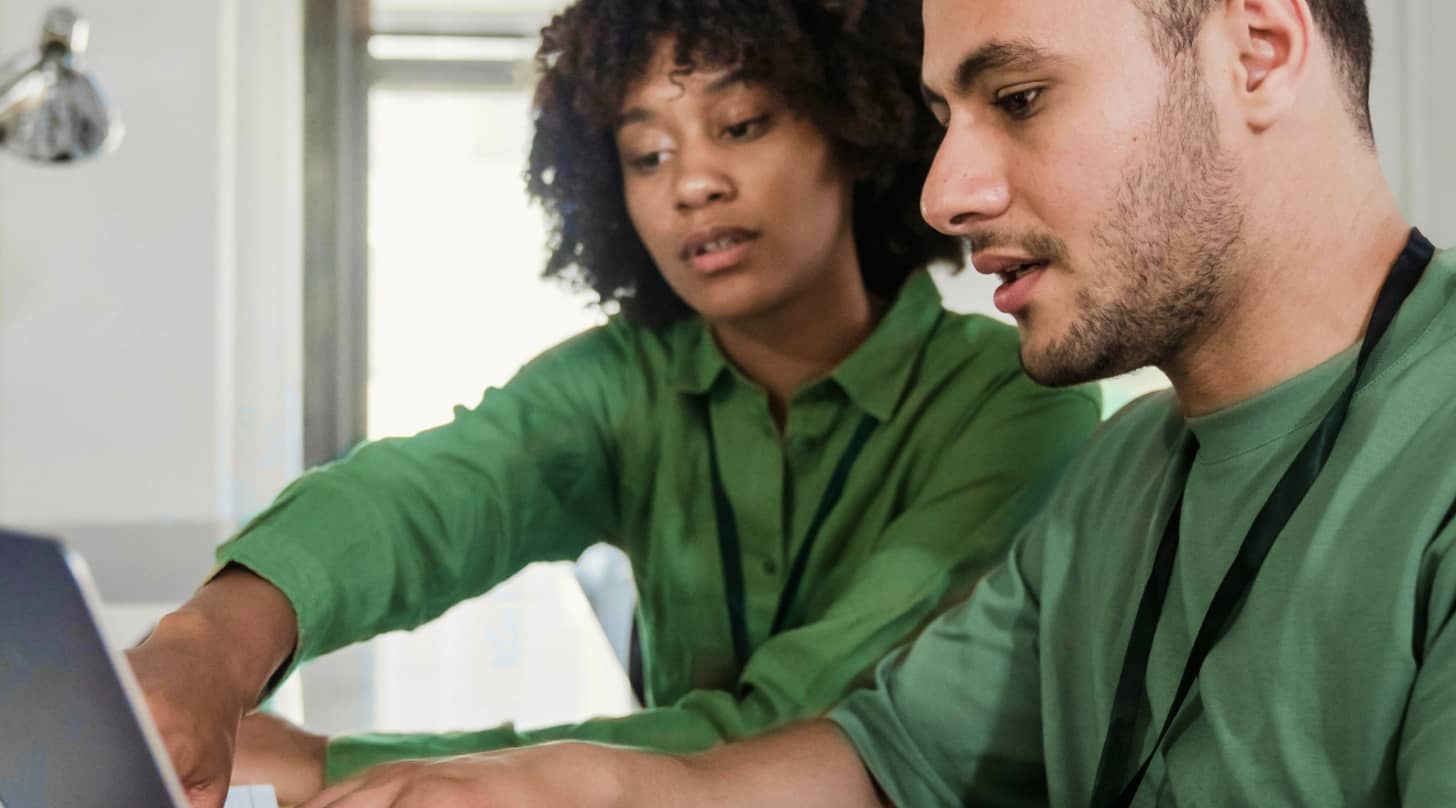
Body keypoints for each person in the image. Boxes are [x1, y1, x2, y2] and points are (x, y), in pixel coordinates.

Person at [272, 0, 1456, 805]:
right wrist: (588, 784)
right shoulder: (1123, 473)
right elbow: (883, 760)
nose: (947, 192)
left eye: (1020, 96)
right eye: (943, 121)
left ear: (1258, 50)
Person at [125, 1, 1102, 806]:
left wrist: (330, 764)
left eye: (742, 124)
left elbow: (810, 728)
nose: (693, 184)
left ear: (853, 129)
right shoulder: (626, 381)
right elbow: (431, 496)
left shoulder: (1015, 400)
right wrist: (208, 643)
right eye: (645, 154)